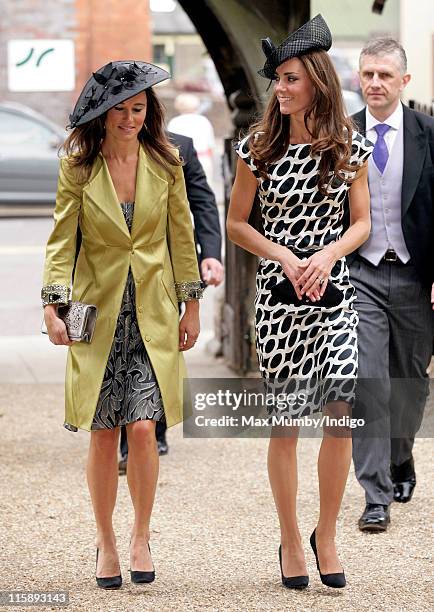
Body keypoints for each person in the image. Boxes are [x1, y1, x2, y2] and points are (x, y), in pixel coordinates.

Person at [41, 60, 203, 589]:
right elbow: (62, 240)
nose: (131, 118)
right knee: (103, 432)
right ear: (102, 114)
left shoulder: (168, 160)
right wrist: (52, 302)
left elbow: (183, 235)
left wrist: (191, 303)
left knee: (142, 427)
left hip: (153, 313)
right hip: (98, 313)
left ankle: (140, 535)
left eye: (139, 109)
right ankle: (106, 543)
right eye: (121, 110)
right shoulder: (78, 167)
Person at [227, 15, 373, 589]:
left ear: (316, 80)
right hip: (279, 297)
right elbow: (238, 225)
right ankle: (290, 537)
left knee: (341, 417)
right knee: (286, 423)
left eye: (289, 79)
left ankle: (327, 533)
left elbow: (362, 223)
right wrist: (285, 257)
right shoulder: (257, 148)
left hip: (335, 295)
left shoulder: (350, 147)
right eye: (277, 81)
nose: (280, 90)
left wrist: (329, 254)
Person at [348, 39, 434, 532]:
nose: (375, 83)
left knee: (410, 383)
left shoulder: (428, 133)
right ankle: (374, 493)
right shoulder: (339, 136)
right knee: (369, 382)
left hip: (415, 274)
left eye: (384, 75)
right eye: (368, 74)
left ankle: (402, 454)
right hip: (360, 274)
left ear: (404, 81)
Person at [118, 131, 223, 466]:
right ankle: (127, 435)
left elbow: (201, 201)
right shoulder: (95, 150)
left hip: (164, 269)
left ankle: (153, 428)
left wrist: (211, 253)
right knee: (118, 354)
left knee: (158, 346)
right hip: (112, 278)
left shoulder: (178, 147)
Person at [168, 94, 215, 185]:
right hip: (203, 158)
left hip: (181, 161)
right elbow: (210, 145)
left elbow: (170, 145)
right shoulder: (203, 121)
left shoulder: (174, 122)